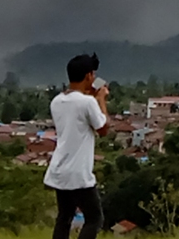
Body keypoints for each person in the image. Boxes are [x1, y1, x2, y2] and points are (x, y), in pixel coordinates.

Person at [45, 53, 110, 239]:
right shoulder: (88, 102)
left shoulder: (57, 101)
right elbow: (103, 129)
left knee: (64, 217)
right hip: (78, 173)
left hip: (60, 169)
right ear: (89, 75)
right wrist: (101, 100)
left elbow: (76, 115)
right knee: (95, 219)